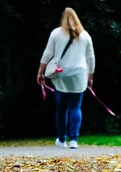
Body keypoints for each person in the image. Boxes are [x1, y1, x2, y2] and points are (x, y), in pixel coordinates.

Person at [37, 7, 95, 149]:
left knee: (61, 108)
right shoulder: (85, 35)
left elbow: (47, 53)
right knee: (75, 106)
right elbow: (91, 58)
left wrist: (40, 72)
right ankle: (74, 140)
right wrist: (90, 76)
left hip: (61, 73)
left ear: (63, 18)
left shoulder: (56, 33)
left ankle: (62, 140)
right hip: (79, 74)